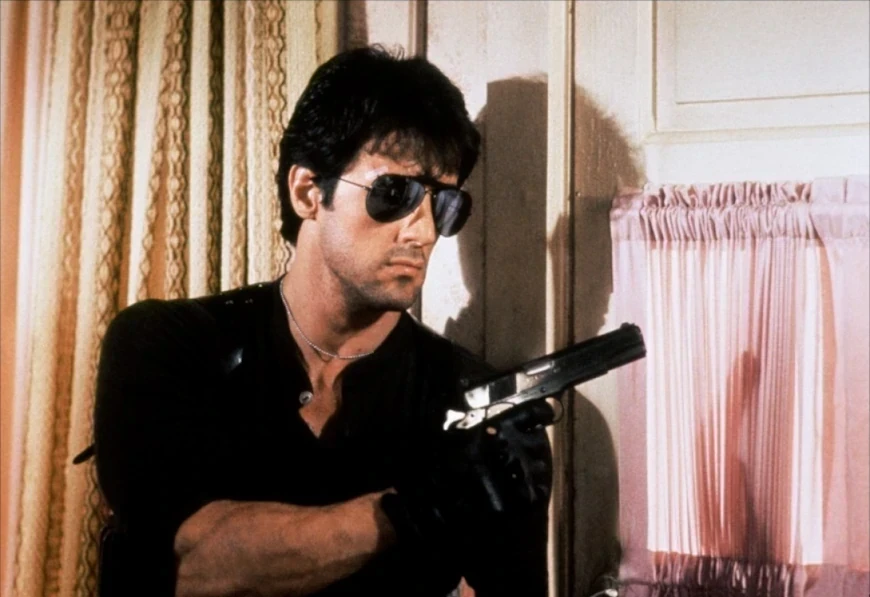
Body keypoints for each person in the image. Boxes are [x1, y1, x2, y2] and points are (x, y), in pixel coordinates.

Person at [93, 45, 554, 597]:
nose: (424, 231)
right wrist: (417, 508)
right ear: (308, 192)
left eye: (444, 205)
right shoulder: (169, 345)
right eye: (395, 193)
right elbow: (190, 565)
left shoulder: (471, 403)